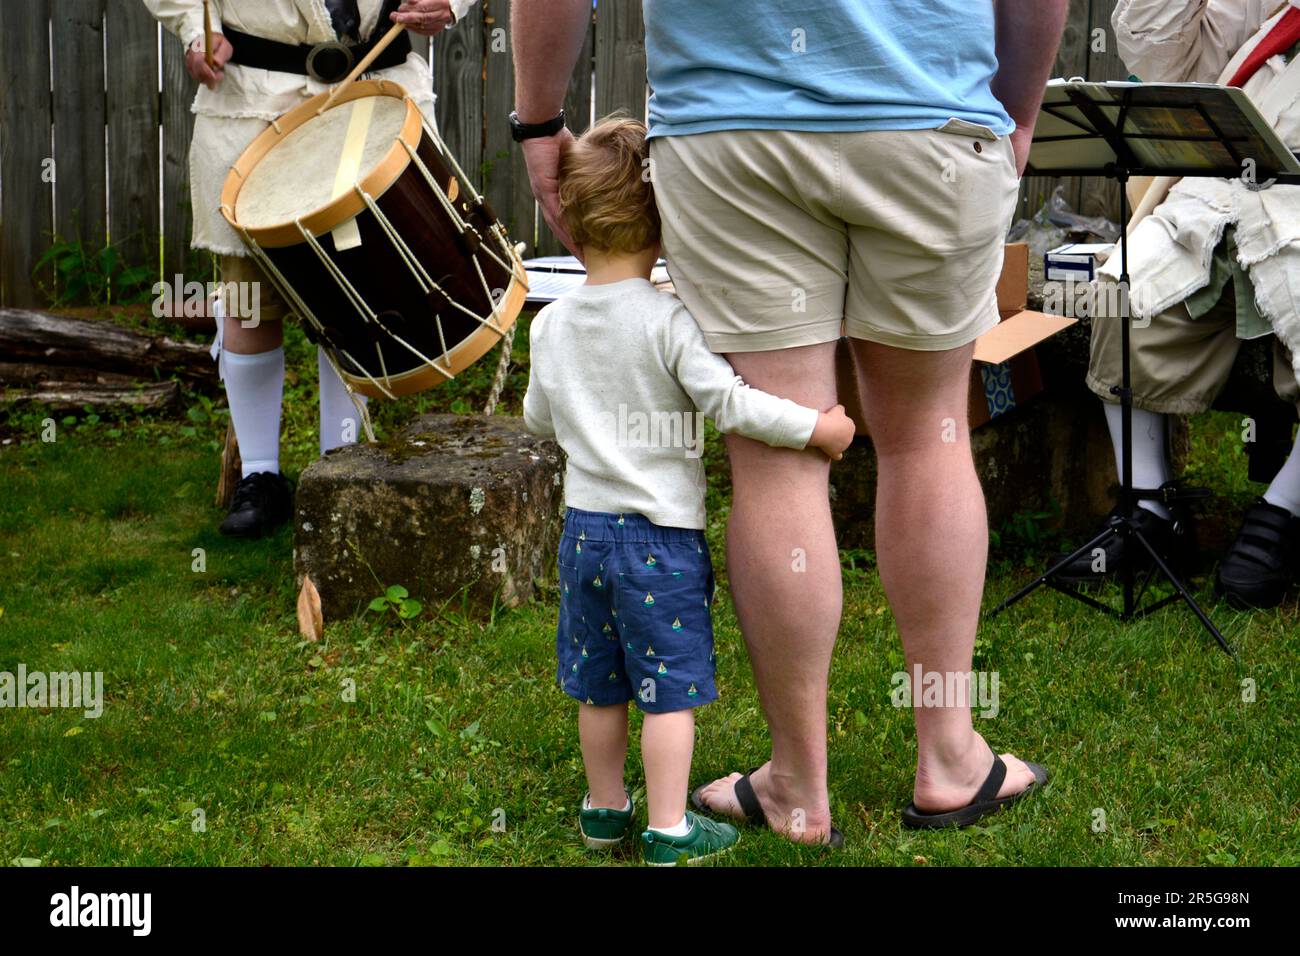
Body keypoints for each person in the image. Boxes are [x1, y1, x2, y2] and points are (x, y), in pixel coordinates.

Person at [513, 0, 1065, 838]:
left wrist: (540, 119)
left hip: (730, 130)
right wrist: (1018, 109)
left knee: (777, 456)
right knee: (930, 437)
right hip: (931, 116)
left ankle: (799, 787)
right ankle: (950, 757)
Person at [523, 116, 856, 863]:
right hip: (659, 544)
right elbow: (731, 403)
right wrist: (815, 428)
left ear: (571, 219)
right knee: (666, 692)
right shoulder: (669, 321)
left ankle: (604, 810)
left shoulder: (551, 325)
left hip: (583, 537)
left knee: (599, 687)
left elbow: (538, 418)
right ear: (666, 219)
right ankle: (670, 829)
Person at [143, 0, 478, 537]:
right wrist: (194, 28)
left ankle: (340, 465)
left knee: (362, 293)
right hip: (256, 98)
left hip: (377, 90)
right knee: (249, 302)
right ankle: (260, 476)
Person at [1058, 0, 1300, 608]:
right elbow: (1161, 52)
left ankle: (1281, 517)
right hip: (1220, 204)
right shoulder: (1271, 12)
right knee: (1122, 295)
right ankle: (1150, 510)